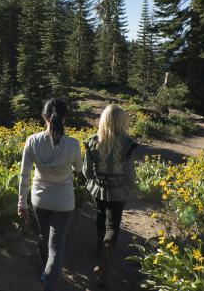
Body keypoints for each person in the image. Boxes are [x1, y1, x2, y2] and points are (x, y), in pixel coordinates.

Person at [18, 98, 82, 291]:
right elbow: (79, 168)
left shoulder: (32, 141)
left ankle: (46, 274)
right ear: (65, 119)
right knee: (57, 248)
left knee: (43, 237)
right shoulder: (72, 144)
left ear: (44, 116)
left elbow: (24, 174)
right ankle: (50, 283)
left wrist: (22, 202)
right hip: (64, 202)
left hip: (39, 199)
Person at [82, 104, 138, 286]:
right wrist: (131, 187)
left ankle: (100, 249)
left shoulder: (92, 142)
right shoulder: (127, 144)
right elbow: (130, 173)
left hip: (98, 188)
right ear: (121, 122)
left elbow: (86, 171)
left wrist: (93, 180)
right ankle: (104, 266)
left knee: (100, 215)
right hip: (119, 190)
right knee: (113, 224)